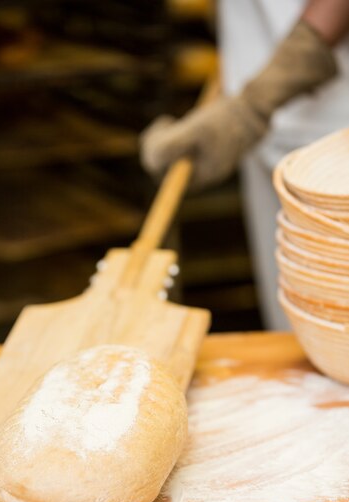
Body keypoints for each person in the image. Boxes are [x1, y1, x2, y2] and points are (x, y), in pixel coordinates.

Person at [140, 0, 349, 329]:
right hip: (264, 123)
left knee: (336, 328)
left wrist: (256, 101)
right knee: (290, 323)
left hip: (333, 140)